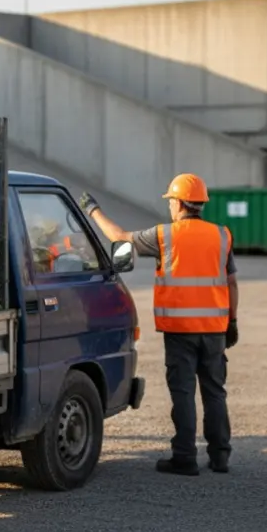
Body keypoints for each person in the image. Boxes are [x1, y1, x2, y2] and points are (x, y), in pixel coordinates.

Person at [78, 174, 239, 476]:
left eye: (170, 202)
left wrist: (93, 211)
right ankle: (220, 457)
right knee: (215, 392)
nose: (169, 207)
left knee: (183, 393)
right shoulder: (221, 235)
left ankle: (185, 457)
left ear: (178, 203)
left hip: (180, 332)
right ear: (200, 204)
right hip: (215, 330)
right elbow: (231, 283)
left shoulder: (165, 235)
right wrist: (232, 321)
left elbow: (120, 238)